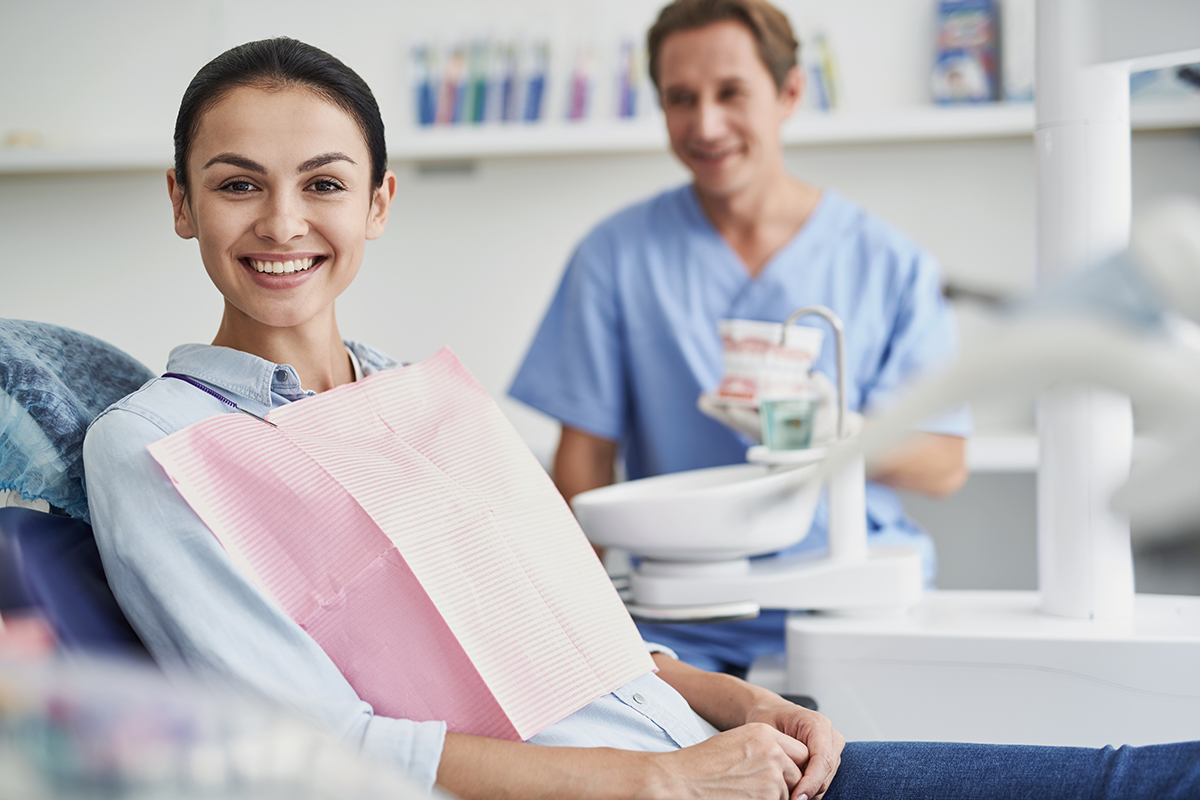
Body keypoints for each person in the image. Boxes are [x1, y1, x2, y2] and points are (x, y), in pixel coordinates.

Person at [81, 35, 1200, 800]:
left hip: (701, 752)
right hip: (642, 782)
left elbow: (559, 626)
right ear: (182, 202)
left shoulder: (409, 394)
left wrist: (730, 698)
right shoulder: (156, 443)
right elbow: (316, 736)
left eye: (324, 183)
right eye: (237, 183)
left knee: (1142, 772)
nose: (283, 220)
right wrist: (661, 778)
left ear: (377, 202)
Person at [509, 0, 970, 676]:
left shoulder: (886, 262)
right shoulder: (615, 257)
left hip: (850, 595)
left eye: (731, 93)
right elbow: (583, 466)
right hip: (684, 613)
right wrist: (569, 622)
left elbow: (944, 462)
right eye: (680, 99)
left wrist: (827, 434)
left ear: (788, 93)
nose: (706, 124)